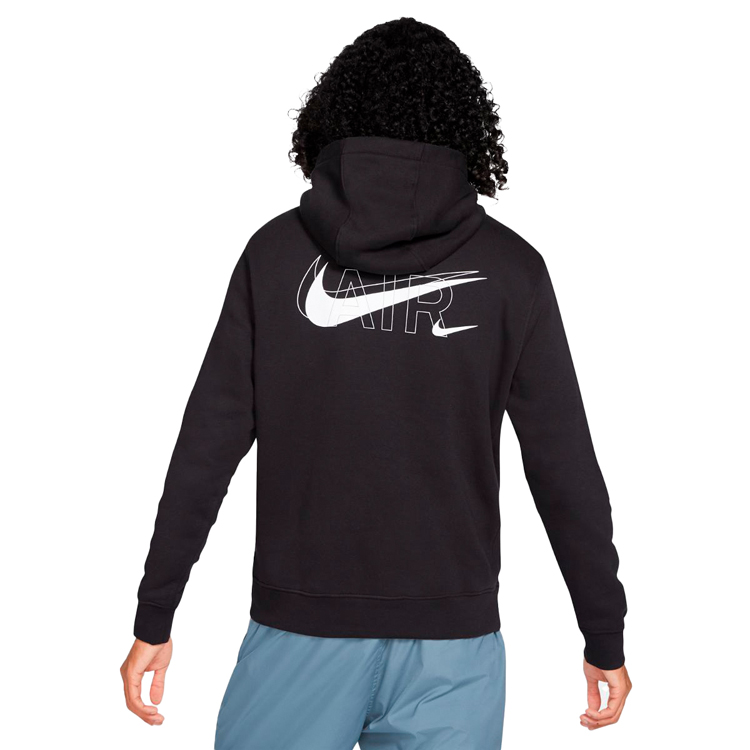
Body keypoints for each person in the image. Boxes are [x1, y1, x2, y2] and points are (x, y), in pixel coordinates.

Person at [120, 17, 631, 748]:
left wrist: (155, 615)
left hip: (300, 635)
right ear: (467, 127)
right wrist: (602, 633)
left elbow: (205, 448)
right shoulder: (510, 270)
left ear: (332, 116)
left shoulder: (276, 255)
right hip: (453, 649)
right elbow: (565, 465)